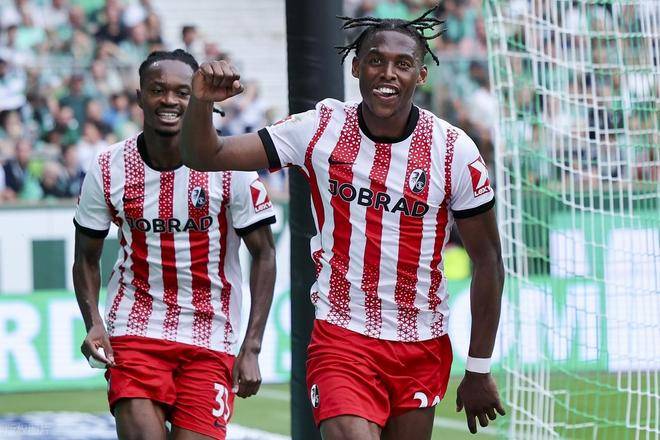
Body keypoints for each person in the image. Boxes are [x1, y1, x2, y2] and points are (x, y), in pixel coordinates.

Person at [180, 6, 505, 439]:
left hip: (421, 342)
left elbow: (488, 261)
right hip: (343, 335)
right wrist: (201, 103)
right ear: (355, 67)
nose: (387, 73)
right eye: (375, 60)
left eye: (403, 64)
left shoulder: (453, 151)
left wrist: (479, 367)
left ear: (421, 75)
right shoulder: (321, 127)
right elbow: (207, 155)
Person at [72, 49, 277, 440]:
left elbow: (265, 254)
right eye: (157, 90)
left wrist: (251, 346)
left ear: (197, 98)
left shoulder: (230, 165)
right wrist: (94, 322)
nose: (169, 100)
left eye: (183, 92)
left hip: (211, 336)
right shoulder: (108, 167)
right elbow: (85, 257)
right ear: (139, 97)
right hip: (135, 330)